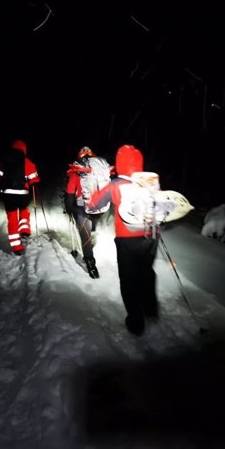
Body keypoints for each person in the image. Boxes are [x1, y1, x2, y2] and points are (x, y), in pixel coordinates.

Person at [87, 144, 159, 336]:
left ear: (119, 163)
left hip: (127, 240)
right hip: (151, 236)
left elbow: (94, 203)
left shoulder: (116, 184)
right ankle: (151, 308)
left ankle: (136, 322)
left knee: (128, 279)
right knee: (146, 272)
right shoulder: (151, 181)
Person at [64, 146, 111, 279]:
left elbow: (70, 192)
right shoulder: (101, 169)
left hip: (82, 208)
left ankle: (90, 262)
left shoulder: (76, 171)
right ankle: (94, 228)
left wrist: (69, 208)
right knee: (92, 222)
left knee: (85, 235)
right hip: (99, 207)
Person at [0, 139, 40, 255]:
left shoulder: (4, 160)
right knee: (24, 212)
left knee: (12, 219)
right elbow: (35, 179)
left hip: (8, 195)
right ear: (24, 150)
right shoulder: (27, 162)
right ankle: (25, 231)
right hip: (22, 194)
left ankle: (16, 247)